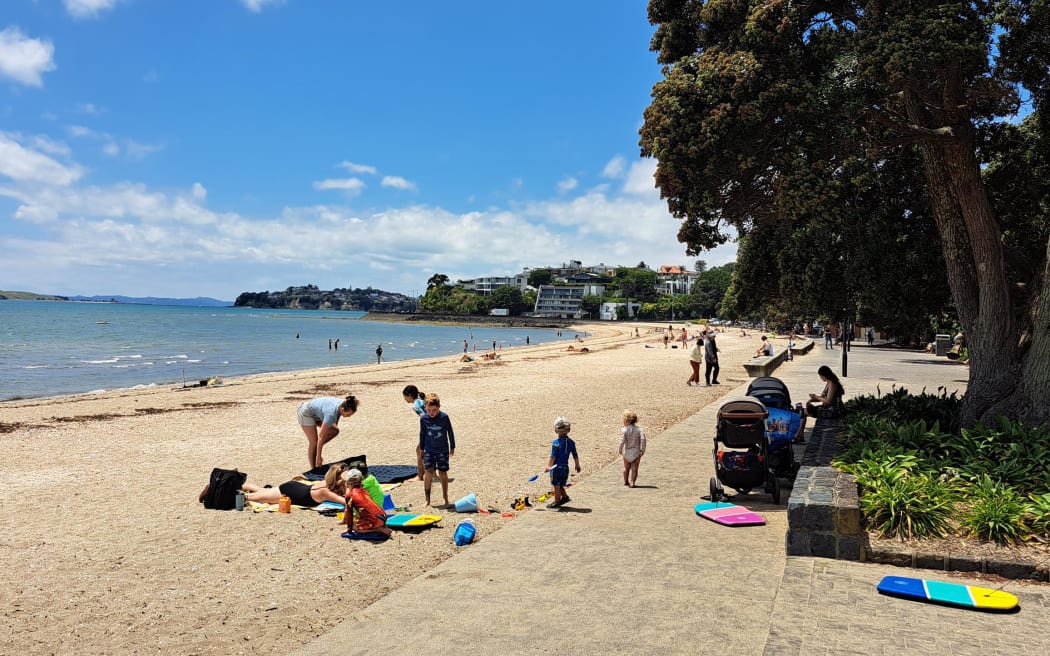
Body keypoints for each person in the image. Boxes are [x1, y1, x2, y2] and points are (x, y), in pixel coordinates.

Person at [241, 462, 348, 508]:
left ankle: (242, 485)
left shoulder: (329, 483)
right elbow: (346, 502)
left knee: (262, 491)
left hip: (295, 487)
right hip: (288, 492)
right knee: (250, 498)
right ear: (337, 479)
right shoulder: (325, 491)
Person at [297, 395, 359, 469]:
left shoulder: (344, 403)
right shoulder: (331, 414)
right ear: (342, 409)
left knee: (335, 431)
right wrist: (319, 457)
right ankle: (313, 468)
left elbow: (334, 423)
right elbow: (321, 436)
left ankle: (317, 448)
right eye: (348, 414)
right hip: (306, 413)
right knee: (314, 442)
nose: (349, 416)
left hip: (317, 414)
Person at [419, 393, 455, 507]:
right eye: (429, 410)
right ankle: (427, 499)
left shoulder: (444, 417)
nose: (431, 413)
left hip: (442, 450)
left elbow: (450, 431)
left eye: (434, 410)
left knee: (443, 472)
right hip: (429, 450)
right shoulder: (424, 418)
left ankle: (445, 497)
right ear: (425, 408)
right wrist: (421, 448)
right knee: (428, 472)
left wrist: (452, 446)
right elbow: (422, 433)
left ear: (439, 407)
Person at [342, 468, 391, 537]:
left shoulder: (350, 495)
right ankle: (381, 525)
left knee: (355, 528)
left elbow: (349, 514)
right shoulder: (364, 490)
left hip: (375, 520)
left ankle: (378, 529)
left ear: (347, 483)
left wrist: (349, 528)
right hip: (383, 516)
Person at [544, 416, 580, 508]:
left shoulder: (556, 443)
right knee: (560, 483)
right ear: (569, 429)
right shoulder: (571, 442)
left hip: (556, 467)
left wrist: (548, 466)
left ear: (556, 430)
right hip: (565, 467)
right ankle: (564, 497)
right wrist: (577, 464)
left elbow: (553, 456)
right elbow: (575, 454)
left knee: (556, 485)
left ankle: (556, 502)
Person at [403, 384, 426, 480]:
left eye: (404, 397)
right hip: (434, 427)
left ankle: (420, 476)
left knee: (419, 451)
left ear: (409, 395)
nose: (404, 399)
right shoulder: (421, 400)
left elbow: (424, 416)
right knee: (427, 451)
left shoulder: (415, 405)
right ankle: (433, 475)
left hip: (428, 429)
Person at [619, 410, 646, 487]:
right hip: (636, 452)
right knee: (634, 468)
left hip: (627, 451)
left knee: (626, 468)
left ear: (626, 420)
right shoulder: (639, 429)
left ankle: (626, 481)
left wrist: (620, 449)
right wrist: (642, 449)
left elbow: (622, 441)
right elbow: (643, 439)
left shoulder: (624, 430)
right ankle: (632, 481)